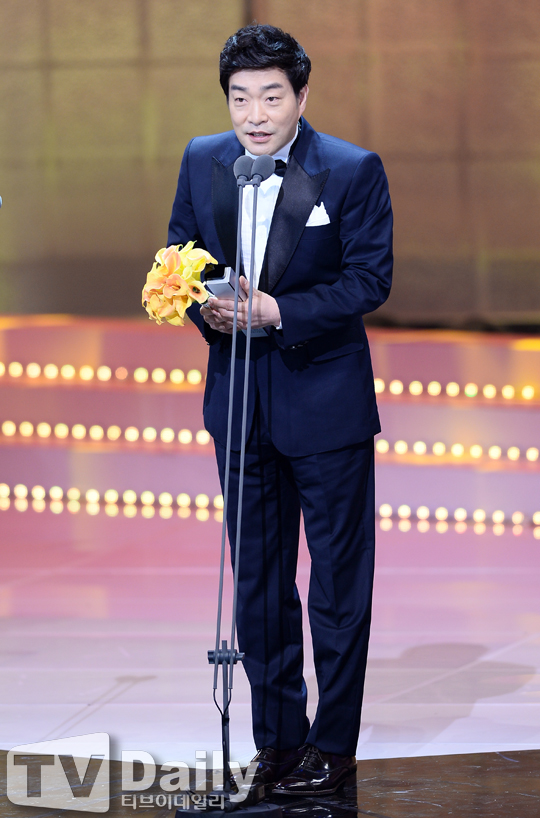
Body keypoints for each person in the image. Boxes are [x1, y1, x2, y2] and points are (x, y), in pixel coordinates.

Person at [168, 24, 393, 796]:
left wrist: (277, 311)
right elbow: (180, 257)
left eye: (271, 97)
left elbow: (369, 280)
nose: (255, 115)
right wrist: (208, 308)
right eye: (240, 99)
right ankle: (279, 743)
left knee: (337, 586)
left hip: (325, 406)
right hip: (239, 404)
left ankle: (333, 746)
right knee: (259, 585)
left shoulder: (352, 170)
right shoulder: (202, 159)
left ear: (301, 96)